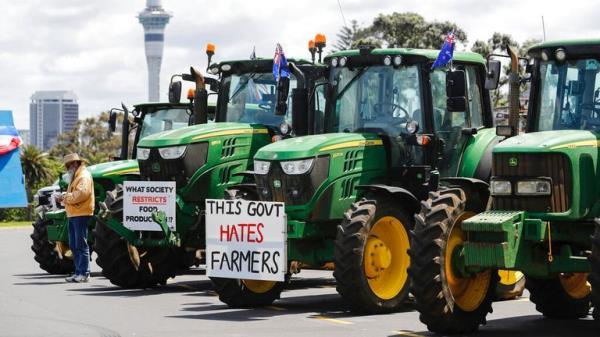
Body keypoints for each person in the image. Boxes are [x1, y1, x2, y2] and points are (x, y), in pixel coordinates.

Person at [57, 153, 95, 283]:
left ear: (74, 164)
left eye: (68, 166)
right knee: (74, 244)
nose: (67, 169)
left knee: (80, 244)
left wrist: (65, 197)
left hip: (81, 213)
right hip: (74, 213)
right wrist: (65, 196)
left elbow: (82, 194)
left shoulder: (83, 176)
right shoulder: (76, 176)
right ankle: (79, 272)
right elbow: (74, 194)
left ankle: (84, 273)